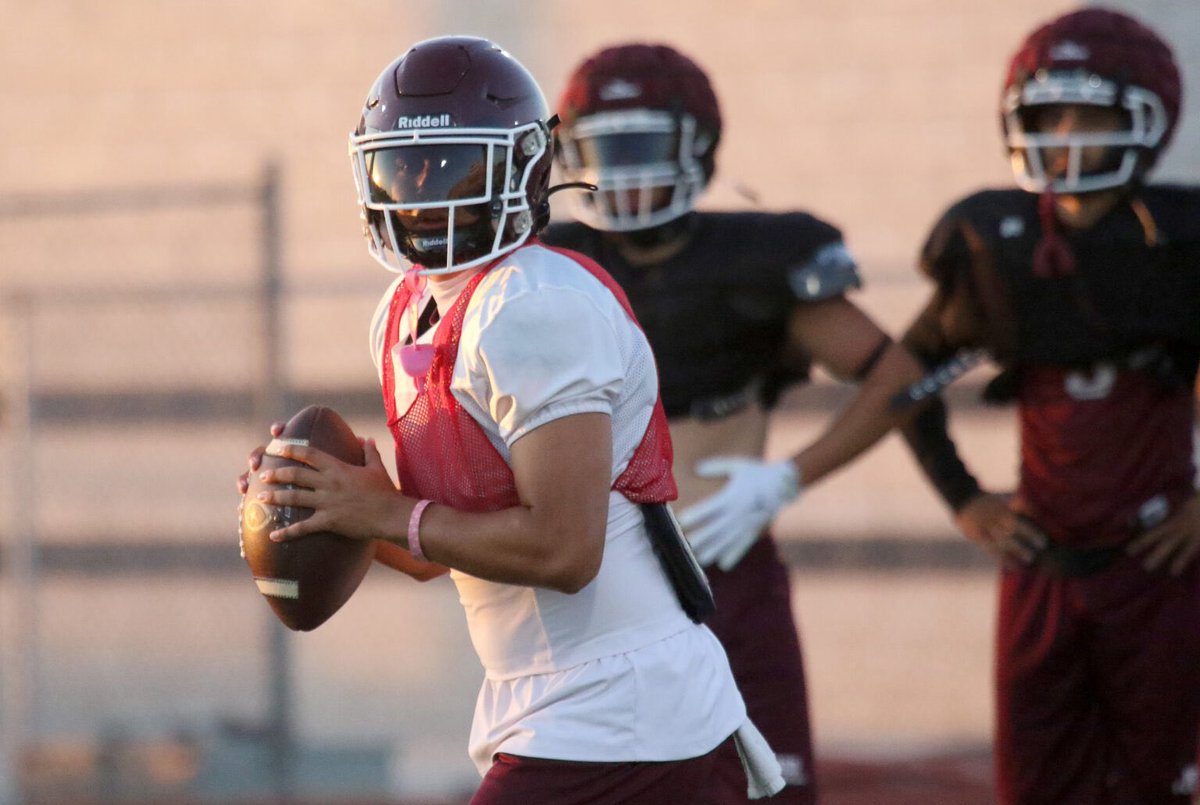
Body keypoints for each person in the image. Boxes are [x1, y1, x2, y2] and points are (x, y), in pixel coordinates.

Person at [239, 36, 785, 804]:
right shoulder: (403, 315)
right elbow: (444, 546)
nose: (428, 192)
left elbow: (564, 549)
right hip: (562, 706)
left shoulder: (533, 303)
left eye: (455, 166)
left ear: (527, 168)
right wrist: (337, 506)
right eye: (406, 169)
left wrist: (383, 509)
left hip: (622, 710)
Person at [543, 43, 926, 804]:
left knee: (770, 787)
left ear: (699, 149)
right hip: (595, 587)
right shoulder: (549, 264)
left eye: (643, 149)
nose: (623, 173)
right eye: (603, 151)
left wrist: (790, 476)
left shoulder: (758, 255)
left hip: (726, 574)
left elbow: (901, 376)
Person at [890, 8, 1200, 803]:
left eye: (1086, 115)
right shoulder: (998, 242)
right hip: (1043, 563)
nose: (1061, 134)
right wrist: (962, 497)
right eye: (1045, 114)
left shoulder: (1179, 241)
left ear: (1144, 120)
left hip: (1159, 562)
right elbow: (905, 380)